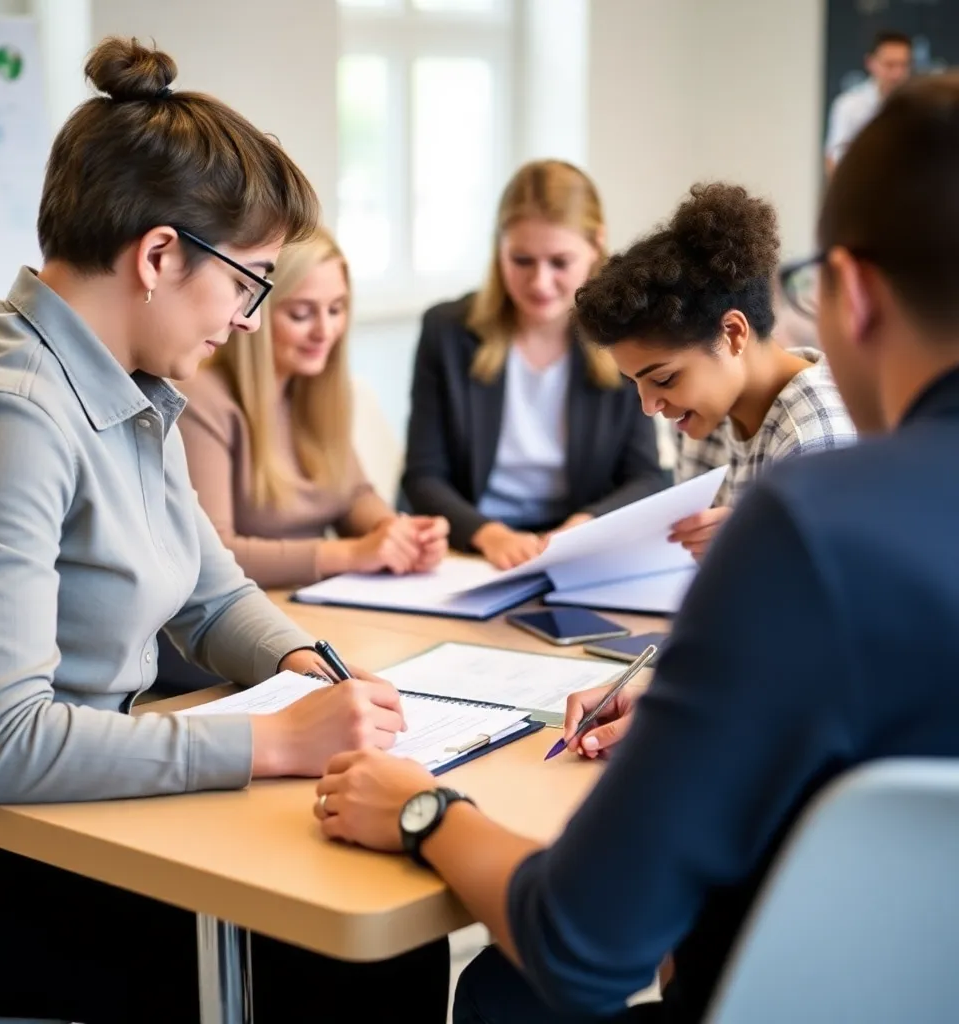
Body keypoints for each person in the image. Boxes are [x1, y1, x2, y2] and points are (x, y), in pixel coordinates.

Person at [310, 70, 959, 1022]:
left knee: (505, 992)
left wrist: (425, 810)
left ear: (850, 292)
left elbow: (583, 944)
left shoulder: (811, 523)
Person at [0, 38, 447, 1023]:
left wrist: (310, 668)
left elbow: (212, 594)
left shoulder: (133, 378)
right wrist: (271, 747)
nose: (253, 318)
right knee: (347, 960)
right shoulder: (12, 411)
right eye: (250, 281)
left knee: (384, 927)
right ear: (160, 254)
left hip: (93, 806)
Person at [402, 159, 666, 571]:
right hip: (470, 550)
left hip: (572, 552)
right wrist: (490, 535)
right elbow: (423, 476)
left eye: (559, 262)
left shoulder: (626, 339)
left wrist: (586, 526)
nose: (540, 283)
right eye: (521, 260)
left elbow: (647, 477)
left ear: (597, 245)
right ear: (499, 248)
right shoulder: (447, 331)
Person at [574, 182, 856, 560]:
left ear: (733, 333)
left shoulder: (815, 437)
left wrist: (758, 548)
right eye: (635, 382)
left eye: (663, 379)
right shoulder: (704, 413)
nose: (649, 406)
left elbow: (834, 598)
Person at [179, 226, 448, 587]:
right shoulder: (203, 399)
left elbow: (352, 496)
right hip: (248, 613)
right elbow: (213, 555)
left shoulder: (316, 389)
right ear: (254, 309)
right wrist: (352, 554)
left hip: (318, 603)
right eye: (302, 314)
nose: (325, 331)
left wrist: (395, 533)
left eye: (336, 309)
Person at [825, 29, 912, 173]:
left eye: (903, 65)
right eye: (890, 65)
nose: (897, 73)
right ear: (870, 63)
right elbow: (834, 158)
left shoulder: (918, 106)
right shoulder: (849, 105)